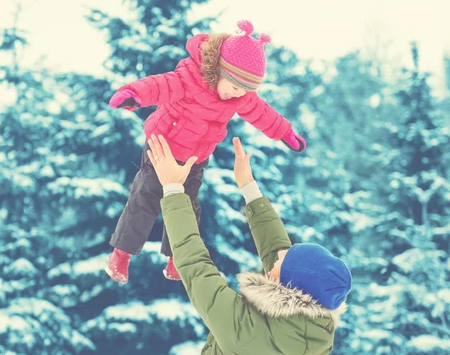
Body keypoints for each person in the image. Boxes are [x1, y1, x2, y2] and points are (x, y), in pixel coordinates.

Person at [105, 20, 306, 283]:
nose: (238, 95)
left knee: (188, 207)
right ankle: (122, 253)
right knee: (145, 198)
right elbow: (159, 85)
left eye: (244, 90)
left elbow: (262, 113)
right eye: (235, 87)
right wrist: (133, 94)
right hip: (162, 148)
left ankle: (178, 256)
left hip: (194, 159)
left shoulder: (240, 95)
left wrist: (285, 133)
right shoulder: (190, 78)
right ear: (219, 71)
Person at [146, 134, 352, 355]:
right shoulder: (314, 335)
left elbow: (195, 266)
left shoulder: (243, 332)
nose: (275, 259)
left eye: (281, 262)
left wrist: (173, 189)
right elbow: (278, 250)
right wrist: (249, 188)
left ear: (287, 287)